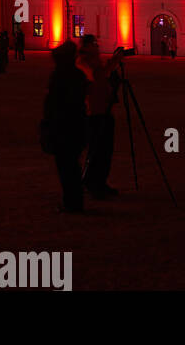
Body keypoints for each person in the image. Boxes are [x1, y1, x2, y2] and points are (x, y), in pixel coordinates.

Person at [42, 41, 88, 213]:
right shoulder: (76, 75)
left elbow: (53, 103)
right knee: (72, 166)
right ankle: (74, 200)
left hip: (63, 127)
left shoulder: (59, 75)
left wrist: (48, 122)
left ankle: (72, 202)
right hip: (75, 126)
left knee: (67, 168)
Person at [77, 35, 125, 200]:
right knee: (96, 150)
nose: (97, 46)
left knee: (106, 150)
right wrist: (112, 62)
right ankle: (91, 182)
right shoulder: (83, 62)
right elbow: (97, 76)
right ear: (86, 46)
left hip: (104, 109)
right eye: (94, 44)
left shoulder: (95, 61)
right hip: (93, 112)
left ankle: (101, 182)